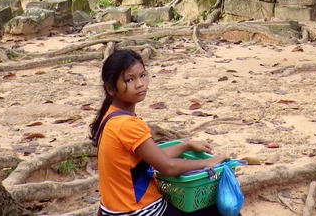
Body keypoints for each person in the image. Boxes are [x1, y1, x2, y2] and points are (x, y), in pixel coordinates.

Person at [90, 49, 229, 216]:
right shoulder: (127, 124)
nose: (140, 84)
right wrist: (208, 164)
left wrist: (186, 146)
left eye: (142, 75)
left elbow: (151, 156)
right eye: (129, 79)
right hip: (139, 211)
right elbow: (168, 167)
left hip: (111, 210)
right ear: (111, 88)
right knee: (220, 208)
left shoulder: (110, 117)